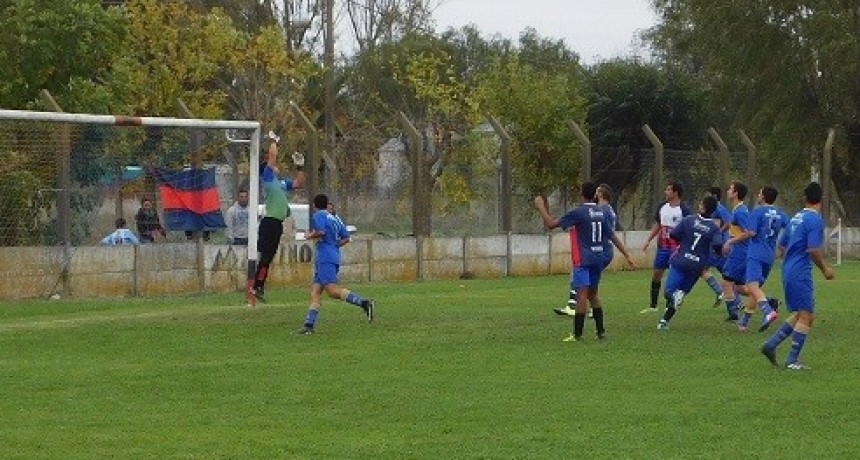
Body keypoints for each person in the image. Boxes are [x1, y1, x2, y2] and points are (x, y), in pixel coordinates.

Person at [761, 182, 835, 370]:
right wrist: (825, 269)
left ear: (805, 198)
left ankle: (771, 345)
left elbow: (783, 244)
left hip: (789, 268)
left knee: (802, 313)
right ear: (821, 200)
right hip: (800, 271)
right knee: (807, 315)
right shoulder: (815, 220)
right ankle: (792, 361)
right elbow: (813, 250)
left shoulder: (796, 217)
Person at [535, 182, 613, 342]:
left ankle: (577, 335)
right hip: (599, 257)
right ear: (595, 195)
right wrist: (626, 254)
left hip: (583, 259)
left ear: (582, 194)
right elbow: (610, 235)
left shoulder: (579, 212)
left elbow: (551, 224)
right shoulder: (601, 212)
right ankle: (601, 332)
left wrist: (541, 207)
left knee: (582, 295)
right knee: (593, 295)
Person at [297, 194, 375, 335]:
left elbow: (321, 232)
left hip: (325, 257)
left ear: (314, 205)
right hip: (331, 255)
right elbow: (346, 237)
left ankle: (364, 303)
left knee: (332, 291)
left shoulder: (318, 215)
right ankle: (309, 325)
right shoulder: (335, 218)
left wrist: (309, 236)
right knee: (315, 291)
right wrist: (333, 246)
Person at [554, 183, 635, 317]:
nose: (595, 194)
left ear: (601, 195)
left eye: (598, 192)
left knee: (580, 278)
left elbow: (606, 233)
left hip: (600, 250)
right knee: (587, 281)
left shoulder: (602, 211)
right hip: (601, 250)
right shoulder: (605, 210)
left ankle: (575, 308)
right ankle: (586, 310)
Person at [251, 131, 305, 302]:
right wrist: (274, 140)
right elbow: (272, 156)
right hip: (269, 222)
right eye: (272, 165)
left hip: (277, 223)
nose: (276, 165)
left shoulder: (280, 183)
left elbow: (298, 183)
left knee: (268, 257)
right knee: (265, 256)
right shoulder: (266, 177)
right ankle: (256, 285)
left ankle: (259, 286)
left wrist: (300, 167)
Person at [657, 195, 723, 330]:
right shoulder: (714, 228)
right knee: (680, 294)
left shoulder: (689, 220)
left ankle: (665, 319)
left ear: (703, 206)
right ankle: (664, 321)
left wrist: (684, 242)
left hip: (681, 261)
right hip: (697, 266)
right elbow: (717, 246)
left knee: (670, 292)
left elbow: (674, 234)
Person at [737, 186, 788, 332]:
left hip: (756, 253)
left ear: (763, 197)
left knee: (752, 286)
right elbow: (790, 227)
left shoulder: (757, 211)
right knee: (756, 289)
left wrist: (741, 234)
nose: (758, 195)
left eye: (759, 193)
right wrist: (784, 245)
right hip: (769, 255)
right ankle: (744, 322)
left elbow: (752, 232)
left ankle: (768, 311)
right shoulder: (780, 214)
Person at [640, 182, 691, 313]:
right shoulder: (662, 207)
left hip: (677, 248)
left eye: (668, 190)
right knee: (657, 273)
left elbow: (689, 228)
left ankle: (670, 304)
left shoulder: (684, 210)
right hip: (663, 247)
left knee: (673, 275)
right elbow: (658, 224)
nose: (665, 192)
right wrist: (648, 240)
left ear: (676, 192)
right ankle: (653, 305)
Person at [720, 181, 751, 321]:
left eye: (730, 189)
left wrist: (729, 241)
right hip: (737, 250)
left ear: (736, 193)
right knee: (739, 288)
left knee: (726, 281)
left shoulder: (741, 211)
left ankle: (733, 313)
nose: (728, 191)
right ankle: (769, 302)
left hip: (740, 251)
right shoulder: (736, 210)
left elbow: (747, 233)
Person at [701, 186, 731, 307]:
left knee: (729, 276)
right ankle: (725, 295)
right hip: (714, 245)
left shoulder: (718, 207)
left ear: (713, 196)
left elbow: (729, 222)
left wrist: (718, 231)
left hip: (719, 245)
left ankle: (722, 293)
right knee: (727, 276)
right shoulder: (711, 209)